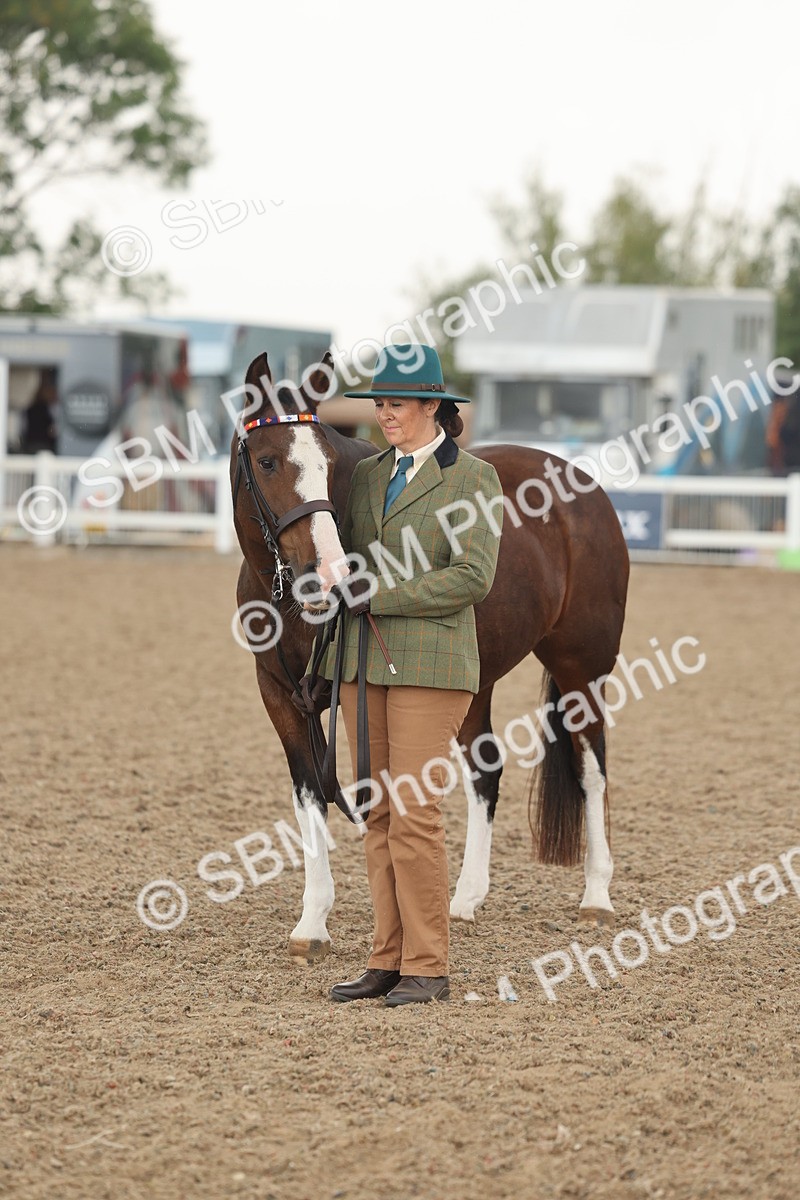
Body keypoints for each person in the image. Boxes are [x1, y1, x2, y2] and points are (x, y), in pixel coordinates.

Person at [315, 343, 503, 1007]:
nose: (385, 414)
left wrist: (376, 594)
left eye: (396, 403)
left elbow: (471, 577)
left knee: (415, 813)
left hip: (433, 662)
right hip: (362, 662)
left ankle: (429, 963)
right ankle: (386, 959)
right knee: (378, 812)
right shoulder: (368, 476)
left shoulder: (473, 479)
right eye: (379, 403)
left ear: (433, 406)